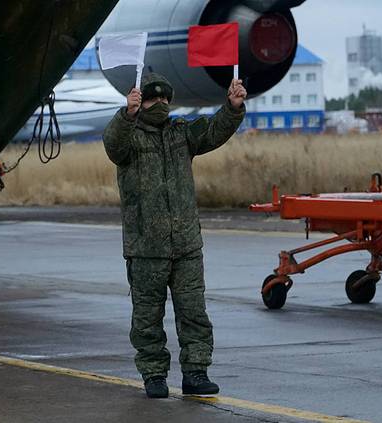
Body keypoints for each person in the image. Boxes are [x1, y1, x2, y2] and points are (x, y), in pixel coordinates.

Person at [102, 72, 247, 398]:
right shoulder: (130, 138)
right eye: (154, 99)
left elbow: (213, 130)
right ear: (140, 101)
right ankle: (154, 375)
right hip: (145, 248)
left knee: (194, 313)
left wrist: (232, 106)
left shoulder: (181, 133)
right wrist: (127, 115)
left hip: (185, 245)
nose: (161, 105)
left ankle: (196, 373)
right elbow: (112, 144)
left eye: (166, 99)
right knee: (147, 318)